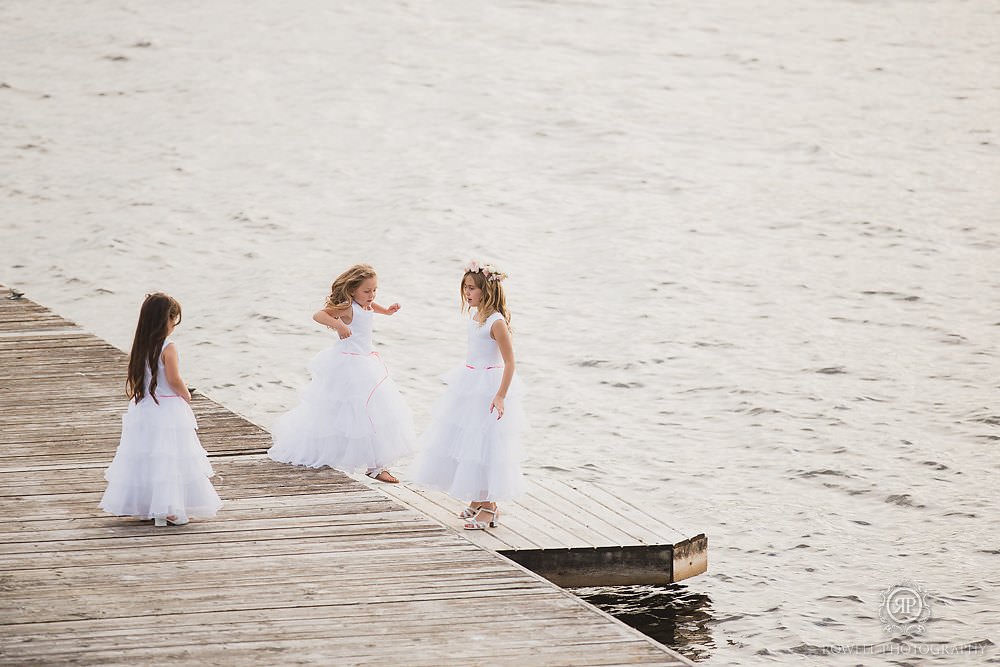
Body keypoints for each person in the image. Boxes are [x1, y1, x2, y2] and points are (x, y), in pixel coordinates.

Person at [268, 264, 415, 482]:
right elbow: (319, 315)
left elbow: (371, 306)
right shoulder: (348, 308)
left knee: (374, 413)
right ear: (352, 290)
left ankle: (376, 465)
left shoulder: (365, 305)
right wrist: (338, 325)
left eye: (375, 290)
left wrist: (386, 311)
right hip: (349, 365)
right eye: (367, 291)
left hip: (366, 362)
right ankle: (333, 453)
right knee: (344, 412)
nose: (372, 295)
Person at [414, 260, 527, 529]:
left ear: (486, 291)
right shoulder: (476, 317)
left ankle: (489, 506)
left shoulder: (496, 322)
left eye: (472, 288)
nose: (467, 293)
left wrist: (500, 395)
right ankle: (477, 500)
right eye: (465, 288)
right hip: (469, 382)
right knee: (465, 441)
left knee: (483, 445)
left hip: (487, 386)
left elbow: (510, 362)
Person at [99, 292, 222, 526]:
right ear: (167, 319)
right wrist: (186, 394)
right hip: (167, 407)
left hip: (145, 406)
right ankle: (169, 508)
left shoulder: (141, 344)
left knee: (147, 456)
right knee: (169, 457)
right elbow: (174, 378)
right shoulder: (169, 347)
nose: (174, 326)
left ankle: (150, 503)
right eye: (174, 321)